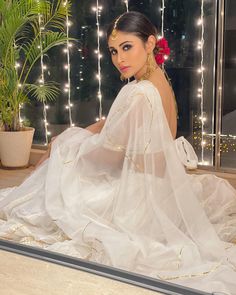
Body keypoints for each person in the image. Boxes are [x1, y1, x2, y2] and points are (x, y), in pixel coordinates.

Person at [0, 11, 236, 294]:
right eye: (114, 51)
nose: (119, 59)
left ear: (149, 44)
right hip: (159, 187)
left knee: (59, 164)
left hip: (134, 194)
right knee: (66, 146)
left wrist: (68, 148)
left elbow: (108, 156)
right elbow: (112, 124)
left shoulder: (138, 92)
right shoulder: (159, 82)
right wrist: (81, 135)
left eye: (127, 47)